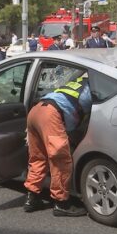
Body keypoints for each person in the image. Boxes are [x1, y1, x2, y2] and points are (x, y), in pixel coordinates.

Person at [24, 74, 92, 216]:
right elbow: (90, 111)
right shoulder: (90, 89)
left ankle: (32, 198)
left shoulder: (76, 81)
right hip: (51, 114)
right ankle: (61, 203)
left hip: (36, 111)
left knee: (38, 157)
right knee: (60, 160)